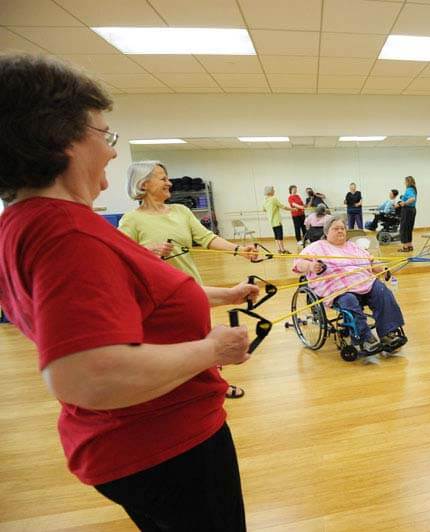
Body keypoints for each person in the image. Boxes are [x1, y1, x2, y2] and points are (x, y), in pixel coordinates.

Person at [0, 54, 256, 531]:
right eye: (105, 135)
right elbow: (87, 376)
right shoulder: (66, 233)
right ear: (60, 138)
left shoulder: (29, 221)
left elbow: (135, 299)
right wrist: (211, 349)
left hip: (141, 440)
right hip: (161, 445)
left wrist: (223, 295)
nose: (114, 153)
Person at [120, 161, 257, 400]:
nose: (169, 182)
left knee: (203, 338)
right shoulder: (131, 220)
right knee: (174, 345)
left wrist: (238, 250)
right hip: (159, 296)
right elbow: (121, 258)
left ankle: (216, 385)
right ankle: (178, 389)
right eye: (162, 178)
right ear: (143, 184)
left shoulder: (181, 212)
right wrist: (148, 251)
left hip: (192, 288)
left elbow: (207, 238)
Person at [292, 214, 407, 356]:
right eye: (336, 229)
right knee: (349, 301)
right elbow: (298, 263)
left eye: (342, 228)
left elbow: (371, 261)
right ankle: (365, 338)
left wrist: (383, 269)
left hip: (365, 283)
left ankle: (388, 333)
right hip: (339, 288)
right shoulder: (316, 247)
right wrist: (311, 266)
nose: (340, 231)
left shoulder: (353, 247)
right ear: (327, 232)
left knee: (383, 291)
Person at [262, 185, 292, 254]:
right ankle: (283, 250)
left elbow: (263, 209)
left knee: (276, 235)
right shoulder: (273, 199)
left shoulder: (265, 200)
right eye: (273, 190)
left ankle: (279, 249)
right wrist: (292, 209)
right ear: (270, 191)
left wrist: (270, 210)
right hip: (277, 220)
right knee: (280, 235)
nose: (274, 191)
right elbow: (283, 207)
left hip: (271, 221)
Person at [397, 176, 417, 252]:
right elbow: (411, 197)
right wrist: (403, 197)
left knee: (404, 228)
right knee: (409, 228)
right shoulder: (413, 189)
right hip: (412, 210)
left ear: (407, 182)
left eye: (405, 181)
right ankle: (409, 245)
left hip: (407, 210)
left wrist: (404, 203)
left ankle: (405, 247)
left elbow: (412, 199)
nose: (404, 183)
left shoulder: (409, 189)